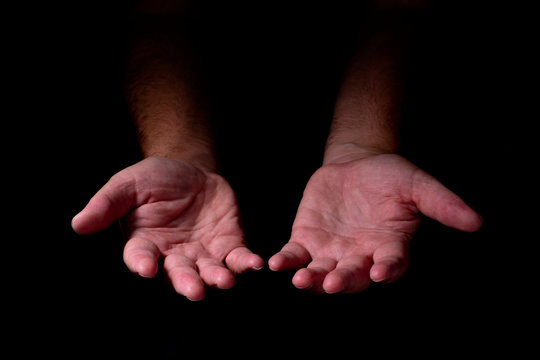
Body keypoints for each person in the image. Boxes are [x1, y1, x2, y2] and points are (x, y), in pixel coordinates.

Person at [71, 0, 482, 301]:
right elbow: (157, 17)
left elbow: (400, 12)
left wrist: (363, 141)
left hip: (400, 127)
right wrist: (180, 151)